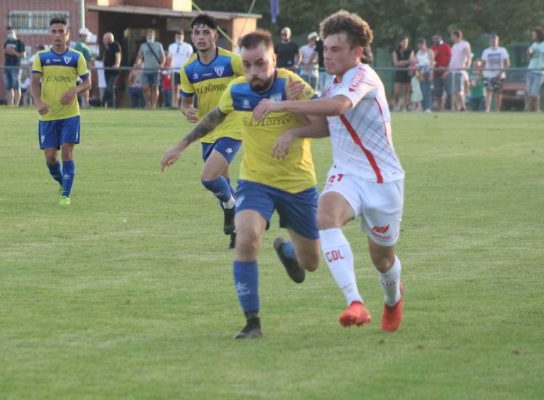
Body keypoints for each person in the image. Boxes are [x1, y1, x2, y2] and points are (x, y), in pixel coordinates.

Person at [251, 9, 406, 333]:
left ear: (357, 52)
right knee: (325, 217)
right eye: (325, 48)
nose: (327, 55)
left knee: (383, 261)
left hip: (383, 180)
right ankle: (356, 303)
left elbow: (338, 107)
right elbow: (326, 124)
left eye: (335, 49)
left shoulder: (364, 76)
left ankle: (393, 299)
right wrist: (294, 131)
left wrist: (283, 106)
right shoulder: (331, 80)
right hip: (347, 173)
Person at [162, 29, 322, 339]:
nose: (253, 72)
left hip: (297, 183)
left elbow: (324, 124)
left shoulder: (292, 85)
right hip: (255, 180)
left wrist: (291, 119)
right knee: (247, 238)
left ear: (274, 59)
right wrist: (180, 146)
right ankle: (252, 322)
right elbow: (214, 118)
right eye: (247, 65)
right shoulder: (237, 90)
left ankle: (289, 251)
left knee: (310, 263)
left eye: (260, 64)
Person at [168, 14, 245, 248]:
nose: (201, 37)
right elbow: (186, 102)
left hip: (233, 127)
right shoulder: (189, 68)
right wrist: (187, 111)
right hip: (207, 131)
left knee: (208, 177)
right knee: (223, 183)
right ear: (192, 37)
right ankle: (238, 231)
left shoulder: (232, 61)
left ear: (215, 35)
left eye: (205, 32)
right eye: (197, 32)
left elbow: (257, 79)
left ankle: (234, 208)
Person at [30, 16, 91, 206]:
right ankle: (62, 181)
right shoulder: (41, 57)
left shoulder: (76, 57)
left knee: (67, 151)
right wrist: (38, 102)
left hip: (70, 115)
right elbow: (34, 83)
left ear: (67, 34)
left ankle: (65, 195)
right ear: (50, 34)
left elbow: (88, 83)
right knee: (50, 158)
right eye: (54, 32)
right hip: (47, 115)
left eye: (61, 32)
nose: (57, 35)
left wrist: (75, 89)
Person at [134, 30, 165, 109]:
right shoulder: (143, 45)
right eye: (148, 35)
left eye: (151, 35)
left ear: (154, 36)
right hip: (146, 70)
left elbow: (163, 57)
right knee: (145, 88)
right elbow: (139, 56)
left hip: (156, 70)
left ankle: (154, 105)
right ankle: (148, 104)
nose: (150, 37)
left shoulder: (158, 45)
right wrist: (137, 63)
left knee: (155, 87)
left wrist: (161, 65)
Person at [480, 33, 509, 112]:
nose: (493, 42)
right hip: (488, 75)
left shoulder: (502, 50)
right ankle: (487, 109)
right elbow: (483, 64)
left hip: (499, 75)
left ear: (498, 41)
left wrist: (500, 73)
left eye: (495, 40)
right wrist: (481, 71)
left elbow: (507, 64)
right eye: (492, 40)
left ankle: (497, 110)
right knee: (488, 91)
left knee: (498, 93)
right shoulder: (486, 51)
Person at [525, 27, 544, 112]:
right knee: (529, 91)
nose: (533, 36)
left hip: (539, 71)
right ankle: (537, 109)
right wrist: (528, 53)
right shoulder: (534, 44)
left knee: (534, 92)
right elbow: (530, 57)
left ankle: (528, 108)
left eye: (534, 34)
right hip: (531, 69)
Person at [167, 30, 194, 107]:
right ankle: (175, 104)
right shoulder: (171, 46)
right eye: (177, 37)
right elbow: (169, 58)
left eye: (180, 36)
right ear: (175, 37)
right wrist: (169, 68)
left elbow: (191, 58)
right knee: (175, 87)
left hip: (185, 71)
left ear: (183, 37)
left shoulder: (188, 46)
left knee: (186, 88)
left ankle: (186, 104)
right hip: (175, 70)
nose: (178, 38)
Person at [3, 27, 26, 106]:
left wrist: (14, 52)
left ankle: (16, 105)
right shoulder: (6, 42)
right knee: (8, 87)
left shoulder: (20, 43)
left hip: (16, 67)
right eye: (8, 33)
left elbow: (23, 55)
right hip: (7, 66)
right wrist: (6, 51)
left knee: (16, 86)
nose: (9, 34)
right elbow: (4, 51)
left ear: (15, 33)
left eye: (11, 33)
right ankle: (10, 105)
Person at [448, 30, 471, 111]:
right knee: (454, 91)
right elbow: (452, 58)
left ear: (456, 36)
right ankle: (458, 107)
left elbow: (468, 55)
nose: (451, 37)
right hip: (452, 70)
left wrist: (467, 65)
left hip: (459, 70)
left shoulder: (464, 44)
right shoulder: (454, 46)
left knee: (458, 90)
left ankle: (463, 106)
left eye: (452, 36)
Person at [391, 36, 413, 111]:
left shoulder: (410, 51)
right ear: (400, 42)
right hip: (399, 73)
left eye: (406, 42)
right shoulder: (395, 51)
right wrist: (405, 62)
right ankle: (396, 105)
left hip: (407, 72)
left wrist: (401, 62)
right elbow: (396, 63)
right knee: (397, 91)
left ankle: (406, 106)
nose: (405, 43)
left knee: (406, 91)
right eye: (404, 42)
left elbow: (411, 61)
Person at [431, 34, 451, 111]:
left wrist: (446, 70)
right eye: (434, 38)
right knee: (438, 91)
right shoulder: (432, 48)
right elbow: (431, 60)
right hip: (436, 73)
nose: (436, 40)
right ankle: (440, 108)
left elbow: (450, 58)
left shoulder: (446, 46)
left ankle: (449, 107)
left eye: (437, 38)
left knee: (448, 91)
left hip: (445, 72)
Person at [74, 28, 94, 107]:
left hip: (86, 69)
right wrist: (89, 65)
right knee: (84, 85)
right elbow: (80, 57)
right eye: (86, 36)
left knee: (87, 85)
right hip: (83, 69)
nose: (88, 37)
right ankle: (84, 103)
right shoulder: (79, 45)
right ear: (82, 36)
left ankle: (86, 103)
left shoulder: (84, 45)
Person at [101, 32, 121, 108]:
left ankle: (102, 101)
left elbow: (118, 55)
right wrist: (103, 63)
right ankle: (111, 105)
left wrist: (117, 64)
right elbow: (105, 55)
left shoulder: (115, 45)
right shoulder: (106, 46)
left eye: (104, 39)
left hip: (114, 71)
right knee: (110, 88)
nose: (103, 40)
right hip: (107, 70)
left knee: (110, 86)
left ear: (109, 39)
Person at [414, 38, 434, 112]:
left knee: (427, 90)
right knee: (420, 90)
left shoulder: (429, 52)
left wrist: (431, 74)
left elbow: (431, 64)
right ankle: (421, 106)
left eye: (421, 45)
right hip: (419, 73)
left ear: (424, 44)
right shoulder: (418, 52)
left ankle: (428, 107)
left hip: (427, 72)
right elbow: (416, 62)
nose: (420, 47)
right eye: (418, 46)